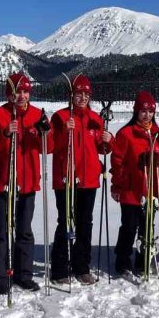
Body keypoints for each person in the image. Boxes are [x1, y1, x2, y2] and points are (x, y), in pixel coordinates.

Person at [0, 72, 52, 294]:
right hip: (3, 181)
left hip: (28, 181)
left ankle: (23, 274)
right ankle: (0, 276)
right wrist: (5, 134)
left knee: (24, 230)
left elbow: (48, 148)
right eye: (17, 92)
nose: (22, 96)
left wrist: (44, 132)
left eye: (25, 91)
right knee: (1, 230)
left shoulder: (36, 114)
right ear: (9, 94)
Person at [51, 74, 113, 285]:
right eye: (79, 93)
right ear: (72, 95)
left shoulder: (95, 119)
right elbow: (51, 147)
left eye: (86, 94)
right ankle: (60, 268)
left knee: (85, 223)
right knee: (66, 222)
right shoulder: (60, 117)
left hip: (89, 179)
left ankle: (81, 267)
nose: (83, 97)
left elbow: (99, 147)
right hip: (66, 178)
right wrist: (63, 133)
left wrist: (107, 141)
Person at [111, 90, 159, 276]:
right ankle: (123, 260)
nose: (146, 114)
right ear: (136, 111)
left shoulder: (158, 135)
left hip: (151, 189)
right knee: (129, 226)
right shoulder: (126, 133)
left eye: (150, 111)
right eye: (143, 111)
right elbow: (117, 162)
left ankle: (143, 260)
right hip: (131, 189)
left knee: (147, 226)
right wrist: (117, 185)